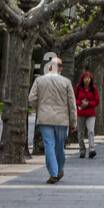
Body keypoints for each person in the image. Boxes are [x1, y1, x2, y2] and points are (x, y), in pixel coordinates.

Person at [28, 55, 77, 183]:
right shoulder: (66, 82)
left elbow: (31, 98)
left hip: (45, 118)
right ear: (60, 68)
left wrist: (38, 108)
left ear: (49, 67)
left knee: (49, 145)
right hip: (62, 119)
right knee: (60, 147)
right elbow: (72, 104)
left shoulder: (39, 80)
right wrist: (73, 122)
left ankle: (54, 172)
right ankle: (58, 170)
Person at [75, 70, 100, 159]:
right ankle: (82, 150)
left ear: (91, 79)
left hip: (90, 113)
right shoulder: (78, 87)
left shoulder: (94, 88)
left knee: (91, 131)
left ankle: (92, 149)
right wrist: (80, 103)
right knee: (80, 133)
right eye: (85, 78)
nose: (87, 80)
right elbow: (75, 98)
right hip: (81, 113)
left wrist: (88, 103)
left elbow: (97, 101)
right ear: (83, 79)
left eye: (89, 78)